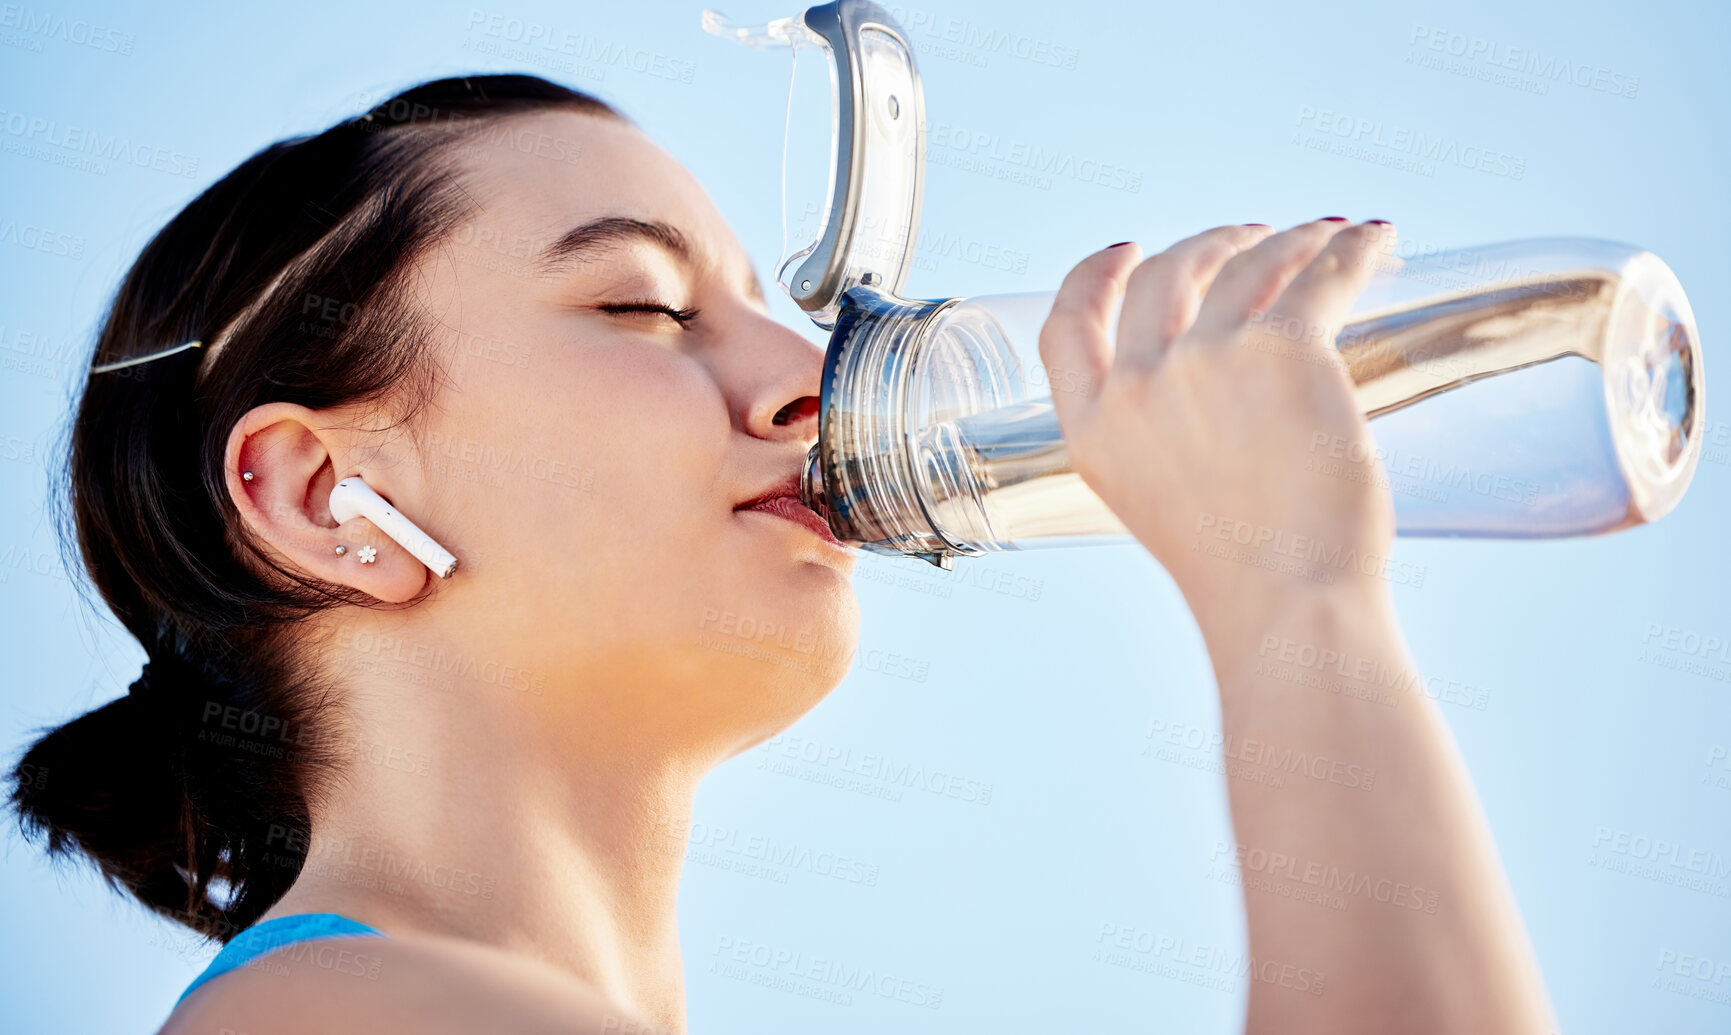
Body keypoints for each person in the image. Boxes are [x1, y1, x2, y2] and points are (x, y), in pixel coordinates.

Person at [8, 75, 1554, 1034]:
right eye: (642, 306)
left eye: (776, 309)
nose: (811, 377)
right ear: (320, 494)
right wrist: (1294, 599)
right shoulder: (327, 1023)